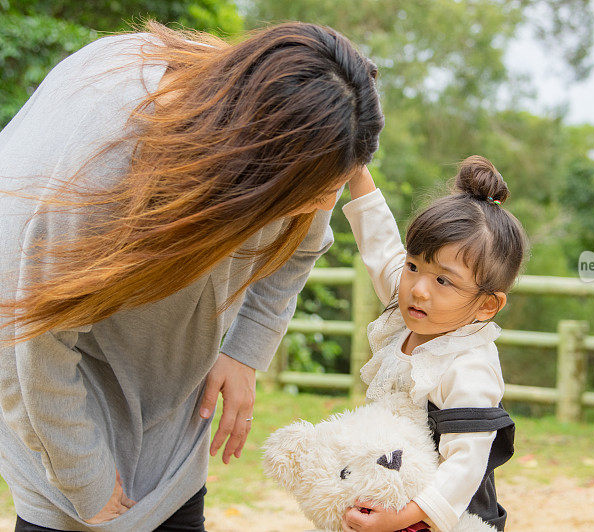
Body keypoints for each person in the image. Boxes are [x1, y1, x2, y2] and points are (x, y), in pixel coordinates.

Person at [0, 19, 382, 531]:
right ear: (258, 159)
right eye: (313, 189)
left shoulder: (311, 146)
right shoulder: (105, 171)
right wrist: (83, 479)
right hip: (43, 360)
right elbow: (35, 344)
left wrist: (245, 352)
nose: (321, 204)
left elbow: (300, 249)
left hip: (171, 385)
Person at [340, 157, 527, 532]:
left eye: (444, 281)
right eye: (413, 266)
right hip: (391, 493)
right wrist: (357, 172)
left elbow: (466, 463)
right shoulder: (409, 307)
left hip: (444, 516)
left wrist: (404, 517)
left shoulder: (468, 365)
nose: (418, 289)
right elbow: (380, 246)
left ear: (487, 304)